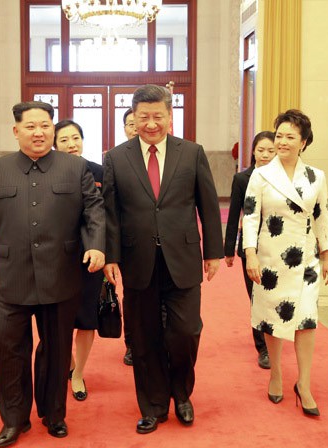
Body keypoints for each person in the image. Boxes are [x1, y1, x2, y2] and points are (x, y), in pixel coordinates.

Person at [0, 101, 105, 447]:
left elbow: (94, 211)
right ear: (16, 131)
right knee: (5, 348)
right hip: (10, 276)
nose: (39, 132)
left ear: (52, 129)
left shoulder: (75, 168)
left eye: (45, 125)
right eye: (31, 126)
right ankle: (14, 419)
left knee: (56, 350)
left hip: (61, 273)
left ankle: (54, 413)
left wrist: (96, 244)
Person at [103, 85, 224, 434]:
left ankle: (181, 393)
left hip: (182, 257)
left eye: (158, 116)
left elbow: (208, 205)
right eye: (144, 117)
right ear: (133, 118)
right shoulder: (117, 157)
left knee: (185, 332)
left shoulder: (192, 153)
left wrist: (213, 251)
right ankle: (153, 405)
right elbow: (111, 212)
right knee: (143, 336)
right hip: (137, 258)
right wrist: (111, 255)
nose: (151, 124)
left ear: (170, 116)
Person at [242, 109, 328, 417]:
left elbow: (323, 216)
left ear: (304, 142)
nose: (282, 141)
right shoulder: (262, 174)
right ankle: (277, 372)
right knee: (273, 318)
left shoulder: (316, 177)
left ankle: (304, 384)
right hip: (271, 260)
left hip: (306, 260)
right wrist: (250, 254)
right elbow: (251, 215)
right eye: (279, 135)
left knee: (307, 320)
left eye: (289, 137)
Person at [53, 119, 103, 402]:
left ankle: (79, 372)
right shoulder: (47, 172)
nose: (71, 144)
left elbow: (107, 215)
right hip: (55, 258)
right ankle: (69, 362)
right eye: (64, 140)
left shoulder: (98, 172)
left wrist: (107, 253)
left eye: (75, 138)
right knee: (57, 319)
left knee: (86, 319)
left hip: (90, 257)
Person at [224, 131, 275, 369]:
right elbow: (234, 215)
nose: (265, 155)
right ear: (253, 151)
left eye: (270, 151)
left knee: (272, 296)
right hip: (250, 247)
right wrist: (228, 249)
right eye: (261, 150)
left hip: (277, 248)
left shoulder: (282, 179)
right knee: (256, 297)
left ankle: (274, 336)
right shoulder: (243, 179)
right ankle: (262, 348)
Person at [120, 108, 138, 366]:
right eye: (131, 124)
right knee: (133, 298)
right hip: (129, 244)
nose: (136, 128)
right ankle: (132, 344)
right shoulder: (117, 159)